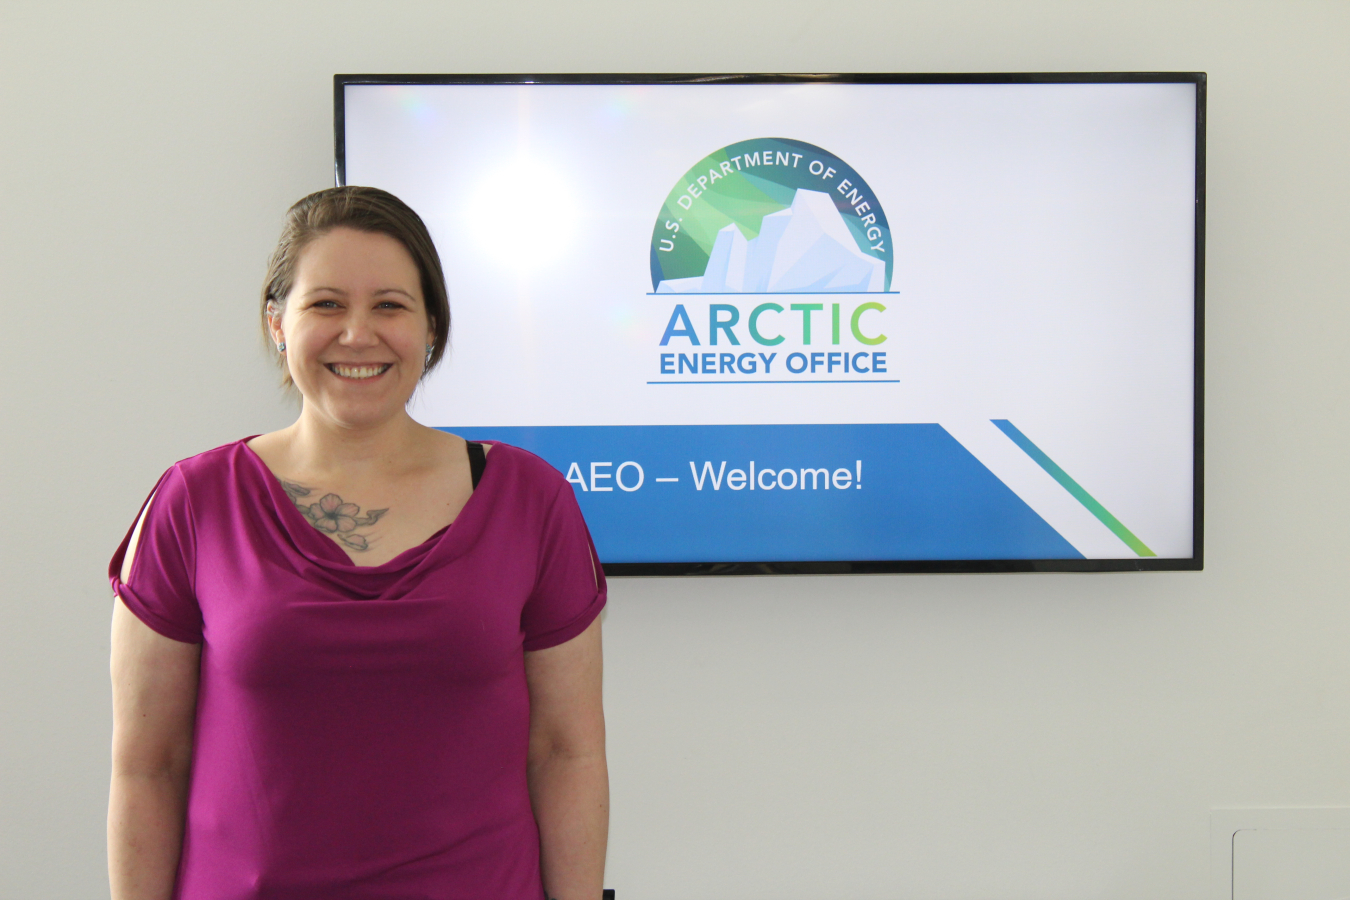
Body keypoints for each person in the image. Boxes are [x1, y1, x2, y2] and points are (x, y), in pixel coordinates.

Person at [107, 186, 608, 900]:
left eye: (391, 306)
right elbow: (148, 765)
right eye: (327, 304)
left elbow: (567, 753)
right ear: (277, 323)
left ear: (431, 325)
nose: (358, 334)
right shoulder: (193, 502)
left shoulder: (532, 500)